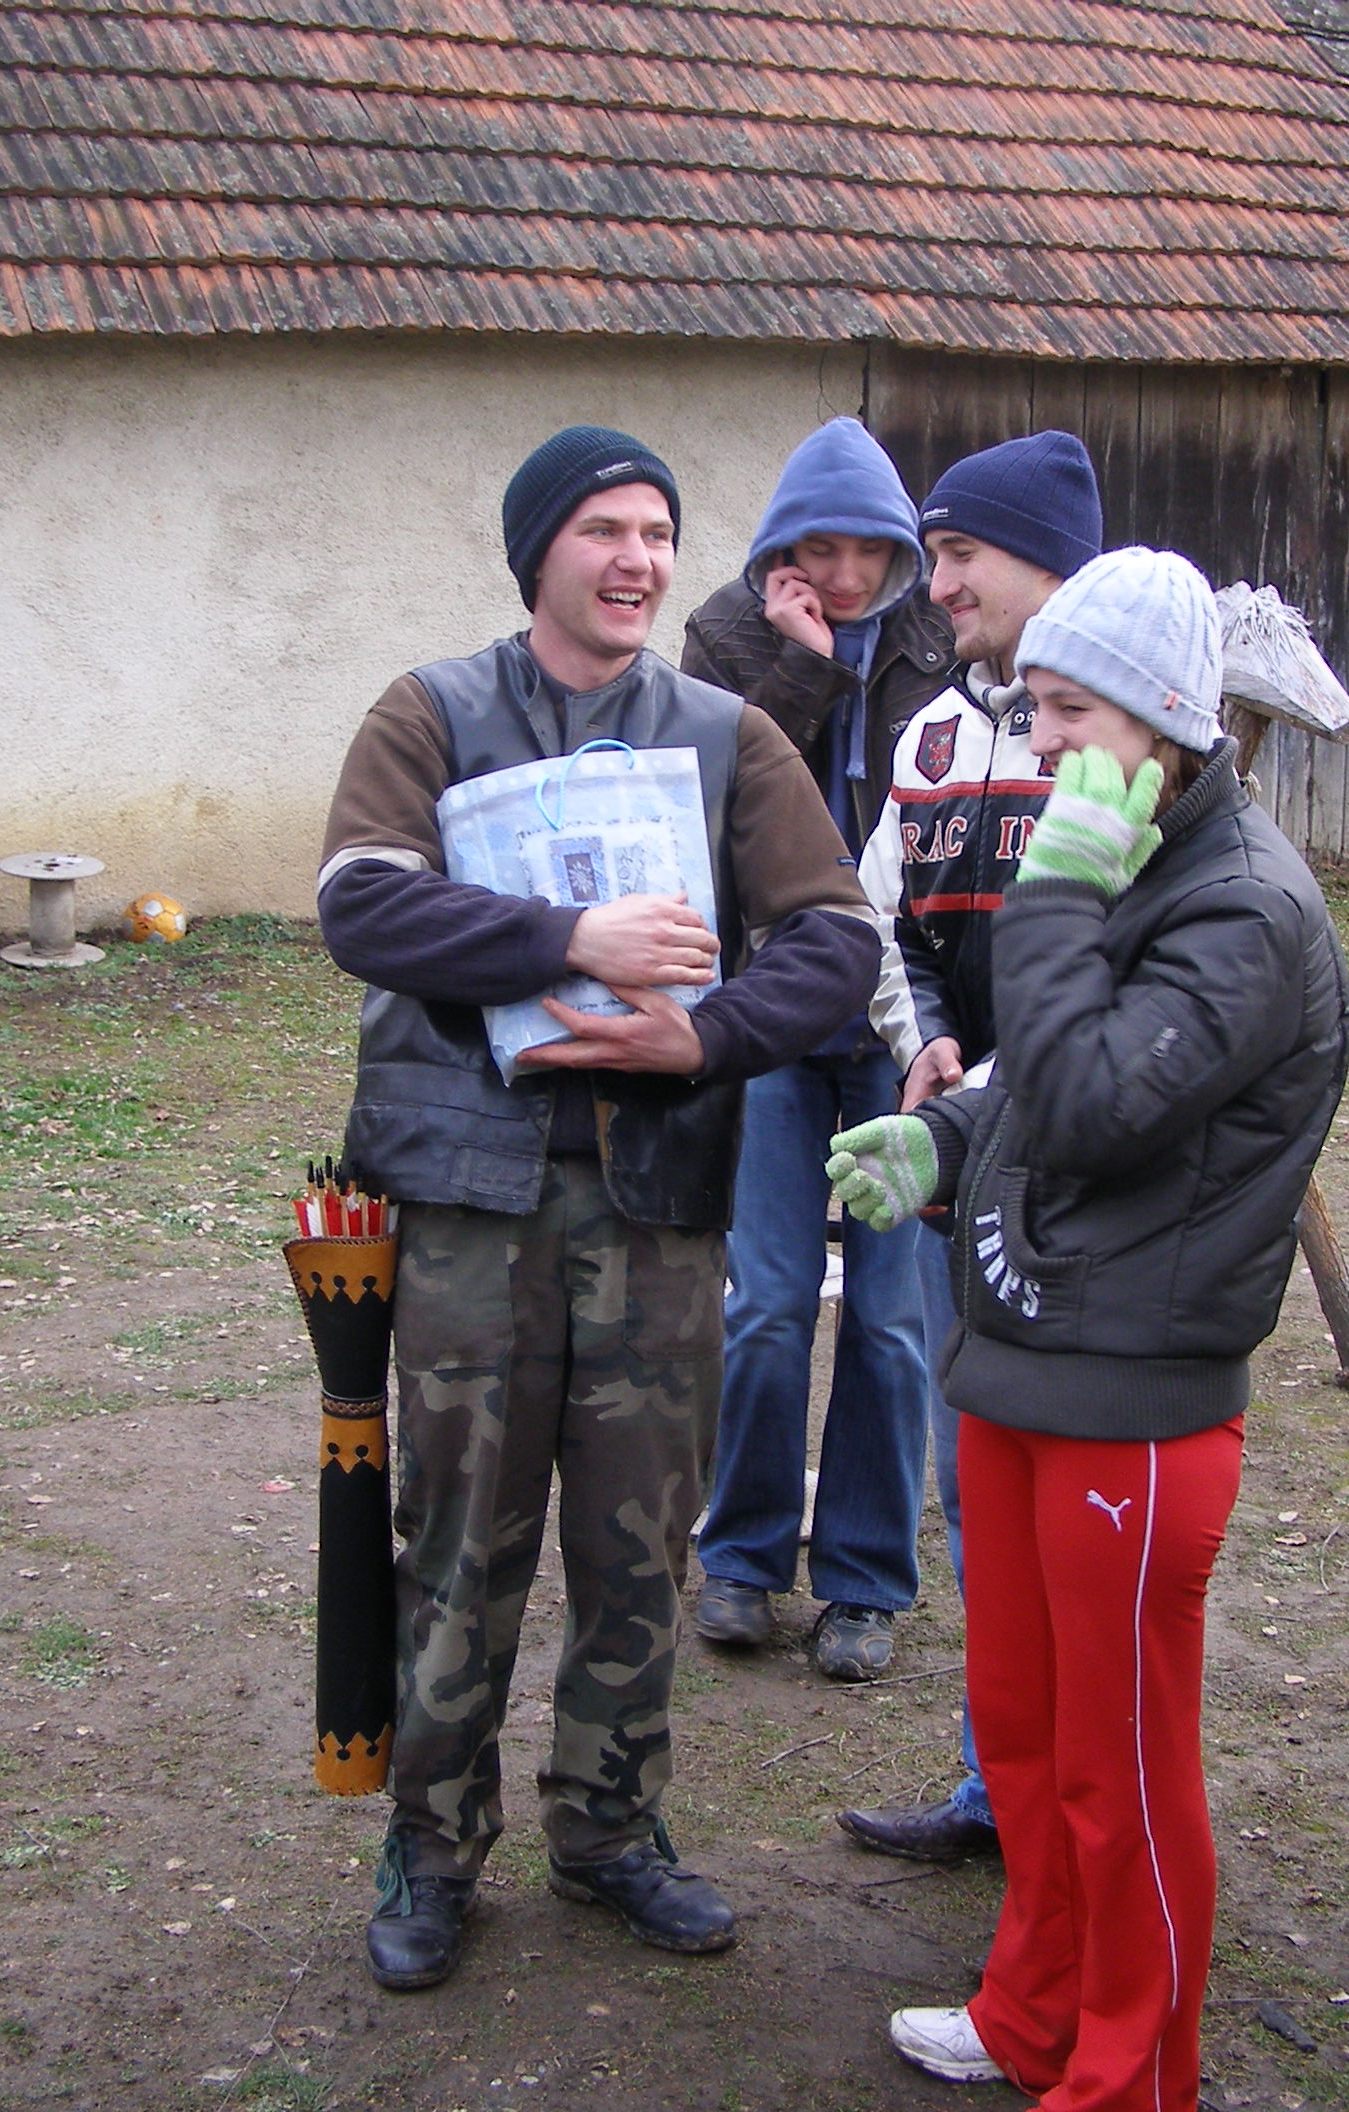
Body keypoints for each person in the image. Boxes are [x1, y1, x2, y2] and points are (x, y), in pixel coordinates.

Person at [315, 425, 882, 1992]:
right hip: (469, 1205)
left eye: (656, 533)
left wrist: (703, 1036)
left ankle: (612, 1829)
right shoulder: (432, 711)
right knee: (455, 1542)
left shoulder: (727, 735)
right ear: (538, 554)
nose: (638, 560)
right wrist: (574, 939)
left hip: (655, 1208)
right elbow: (362, 901)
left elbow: (836, 936)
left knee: (640, 1544)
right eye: (604, 530)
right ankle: (433, 1847)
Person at [826, 548, 1349, 2108]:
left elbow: (1096, 1104)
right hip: (1025, 1354)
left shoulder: (1242, 903)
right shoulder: (1123, 850)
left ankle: (1132, 2073)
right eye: (1034, 706)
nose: (1041, 739)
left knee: (1120, 1768)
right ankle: (1031, 2013)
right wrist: (948, 1141)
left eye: (1066, 710)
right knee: (1028, 1732)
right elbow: (1036, 1083)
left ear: (1162, 717)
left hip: (1138, 1398)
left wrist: (1051, 895)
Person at [840, 429, 1105, 1859]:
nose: (933, 584)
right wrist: (921, 1041)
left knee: (1077, 1513)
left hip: (1089, 1191)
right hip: (961, 1172)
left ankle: (1077, 1806)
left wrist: (986, 1089)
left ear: (1047, 564)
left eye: (958, 555)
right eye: (932, 555)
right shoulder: (930, 740)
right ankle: (995, 1787)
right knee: (977, 1493)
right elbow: (888, 917)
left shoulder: (1125, 739)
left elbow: (1124, 968)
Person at [679, 417, 955, 1678]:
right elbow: (718, 803)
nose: (844, 576)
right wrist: (801, 668)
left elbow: (929, 805)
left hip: (899, 1019)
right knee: (768, 1304)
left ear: (901, 551)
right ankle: (740, 1558)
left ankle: (863, 1583)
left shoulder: (936, 636)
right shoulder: (724, 637)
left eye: (869, 551)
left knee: (891, 1321)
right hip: (773, 1012)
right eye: (821, 548)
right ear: (782, 544)